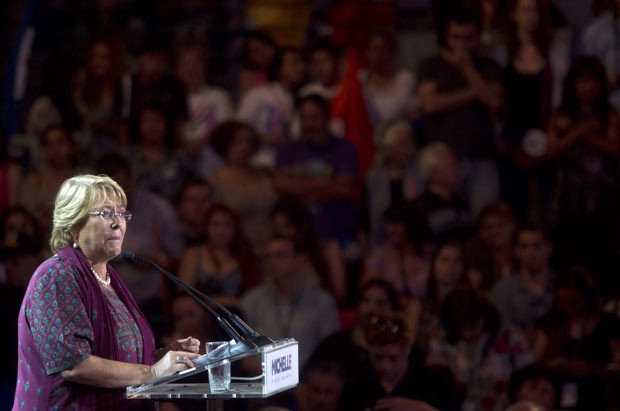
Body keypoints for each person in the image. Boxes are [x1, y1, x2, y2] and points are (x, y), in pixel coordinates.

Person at [12, 174, 201, 410]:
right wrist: (152, 371)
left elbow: (117, 358)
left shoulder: (109, 280)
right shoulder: (57, 276)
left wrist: (162, 356)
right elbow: (73, 364)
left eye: (122, 213)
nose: (118, 223)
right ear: (73, 223)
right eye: (105, 213)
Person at [416, 7, 503, 215]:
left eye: (468, 38)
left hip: (482, 158)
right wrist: (475, 93)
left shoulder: (488, 67)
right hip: (444, 160)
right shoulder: (431, 66)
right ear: (446, 36)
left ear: (477, 38)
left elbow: (494, 101)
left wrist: (467, 68)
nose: (461, 44)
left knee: (485, 219)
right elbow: (430, 104)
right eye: (456, 38)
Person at [426, 286, 533, 411]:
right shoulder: (441, 339)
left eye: (472, 326)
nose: (467, 334)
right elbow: (433, 385)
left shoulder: (511, 339)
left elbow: (528, 381)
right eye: (460, 328)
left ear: (484, 316)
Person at [339, 310, 461, 411]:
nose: (386, 366)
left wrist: (424, 409)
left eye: (393, 358)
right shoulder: (357, 386)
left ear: (407, 349)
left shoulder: (435, 384)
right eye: (378, 357)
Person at [540, 266, 620, 410]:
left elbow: (617, 364)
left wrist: (593, 368)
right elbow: (538, 363)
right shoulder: (552, 324)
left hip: (600, 398)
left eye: (573, 303)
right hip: (560, 400)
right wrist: (557, 365)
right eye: (563, 303)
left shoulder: (609, 324)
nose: (568, 309)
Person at [208, 120, 279, 255]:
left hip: (270, 251)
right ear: (224, 144)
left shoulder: (265, 176)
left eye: (249, 142)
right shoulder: (214, 182)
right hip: (236, 254)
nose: (244, 147)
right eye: (237, 142)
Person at [490, 225, 555, 360]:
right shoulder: (502, 291)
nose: (531, 252)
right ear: (516, 251)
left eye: (537, 246)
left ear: (548, 248)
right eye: (524, 247)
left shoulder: (562, 287)